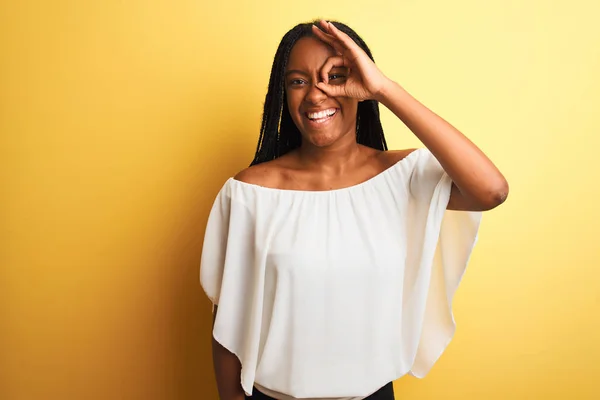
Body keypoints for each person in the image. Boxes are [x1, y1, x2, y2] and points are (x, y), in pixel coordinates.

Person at [199, 19, 508, 400]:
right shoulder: (251, 193)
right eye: (298, 81)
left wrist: (384, 89)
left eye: (336, 76)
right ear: (283, 93)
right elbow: (228, 321)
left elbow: (491, 190)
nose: (316, 95)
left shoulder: (404, 178)